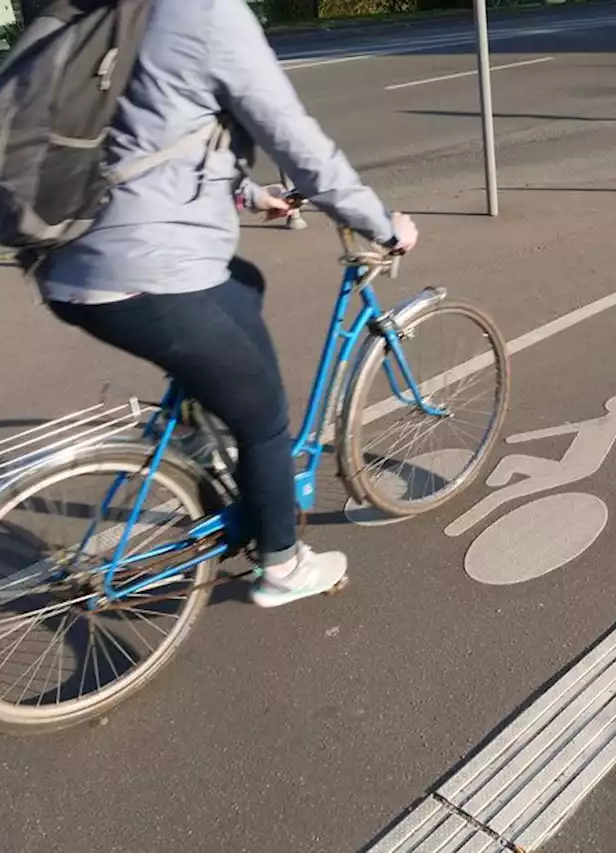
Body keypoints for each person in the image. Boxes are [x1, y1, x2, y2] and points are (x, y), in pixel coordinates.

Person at [39, 0, 418, 608]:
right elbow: (301, 145)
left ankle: (194, 424)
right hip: (147, 273)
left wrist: (247, 195)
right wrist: (380, 224)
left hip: (65, 259)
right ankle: (283, 566)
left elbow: (149, 134)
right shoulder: (209, 12)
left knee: (242, 282)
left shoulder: (118, 12)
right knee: (265, 420)